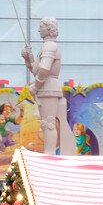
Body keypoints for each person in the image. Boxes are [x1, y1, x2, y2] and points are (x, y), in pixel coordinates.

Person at [21, 17, 65, 155]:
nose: (39, 29)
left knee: (49, 123)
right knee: (46, 123)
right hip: (46, 87)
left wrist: (36, 86)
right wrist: (28, 58)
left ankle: (50, 153)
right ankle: (49, 152)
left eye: (41, 26)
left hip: (48, 87)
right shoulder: (47, 46)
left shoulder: (50, 46)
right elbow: (36, 70)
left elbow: (44, 70)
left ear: (49, 29)